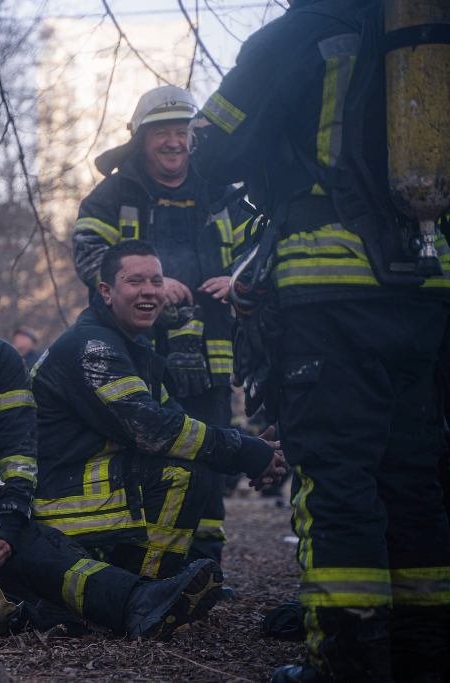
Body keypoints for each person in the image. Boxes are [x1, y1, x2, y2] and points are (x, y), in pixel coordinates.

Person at [189, 1, 450, 680]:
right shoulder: (421, 37)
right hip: (427, 288)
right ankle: (425, 652)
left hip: (329, 292)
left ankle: (350, 660)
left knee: (338, 479)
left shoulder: (299, 33)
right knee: (415, 475)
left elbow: (211, 148)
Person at [0, 265, 227, 642]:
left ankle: (137, 600)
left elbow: (18, 447)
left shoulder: (0, 359)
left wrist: (10, 520)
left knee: (33, 546)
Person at [32, 241, 287, 583]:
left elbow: (176, 421)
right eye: (135, 281)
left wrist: (251, 447)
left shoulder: (131, 345)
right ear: (106, 291)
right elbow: (154, 431)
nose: (150, 292)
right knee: (181, 473)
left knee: (195, 455)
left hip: (85, 481)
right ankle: (149, 584)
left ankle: (155, 578)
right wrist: (244, 451)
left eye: (156, 281)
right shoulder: (95, 348)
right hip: (57, 498)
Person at [73, 85, 249, 566]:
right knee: (147, 450)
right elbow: (88, 256)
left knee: (210, 446)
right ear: (141, 140)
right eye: (163, 133)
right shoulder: (113, 195)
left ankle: (204, 568)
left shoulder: (219, 191)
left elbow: (260, 247)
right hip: (138, 351)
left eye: (182, 132)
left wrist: (238, 280)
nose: (174, 142)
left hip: (210, 351)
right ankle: (145, 563)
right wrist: (152, 283)